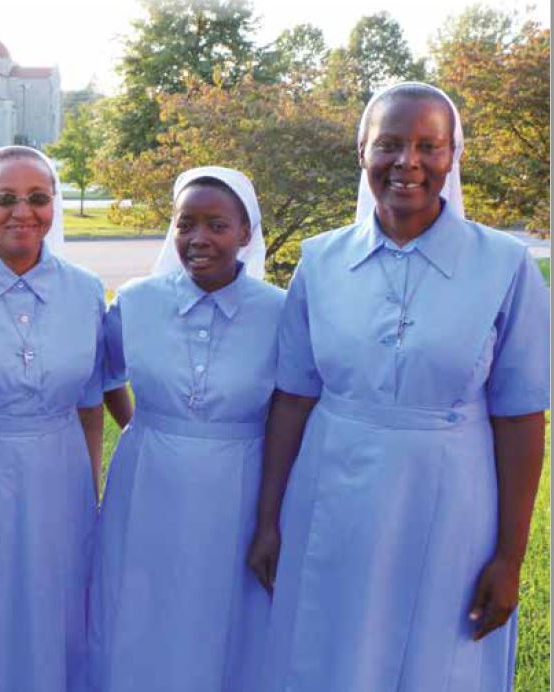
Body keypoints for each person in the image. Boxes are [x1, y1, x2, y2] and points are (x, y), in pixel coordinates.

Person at [247, 82, 550, 691]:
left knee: (439, 656)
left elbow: (520, 417)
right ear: (362, 152)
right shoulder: (321, 260)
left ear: (452, 156)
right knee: (327, 648)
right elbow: (294, 397)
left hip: (452, 499)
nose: (406, 162)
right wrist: (269, 518)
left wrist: (510, 557)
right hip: (332, 491)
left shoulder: (505, 266)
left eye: (427, 146)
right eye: (388, 144)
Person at [89, 167, 280, 691]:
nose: (199, 239)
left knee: (225, 615)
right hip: (148, 483)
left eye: (217, 225)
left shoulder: (281, 312)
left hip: (238, 488)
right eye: (185, 224)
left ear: (246, 233)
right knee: (142, 608)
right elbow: (105, 375)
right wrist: (146, 427)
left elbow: (293, 408)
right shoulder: (137, 299)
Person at [0, 146, 105, 692]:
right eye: (4, 199)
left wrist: (92, 493)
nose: (22, 212)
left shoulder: (84, 289)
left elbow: (92, 403)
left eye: (38, 198)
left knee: (58, 611)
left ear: (55, 204)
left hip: (63, 478)